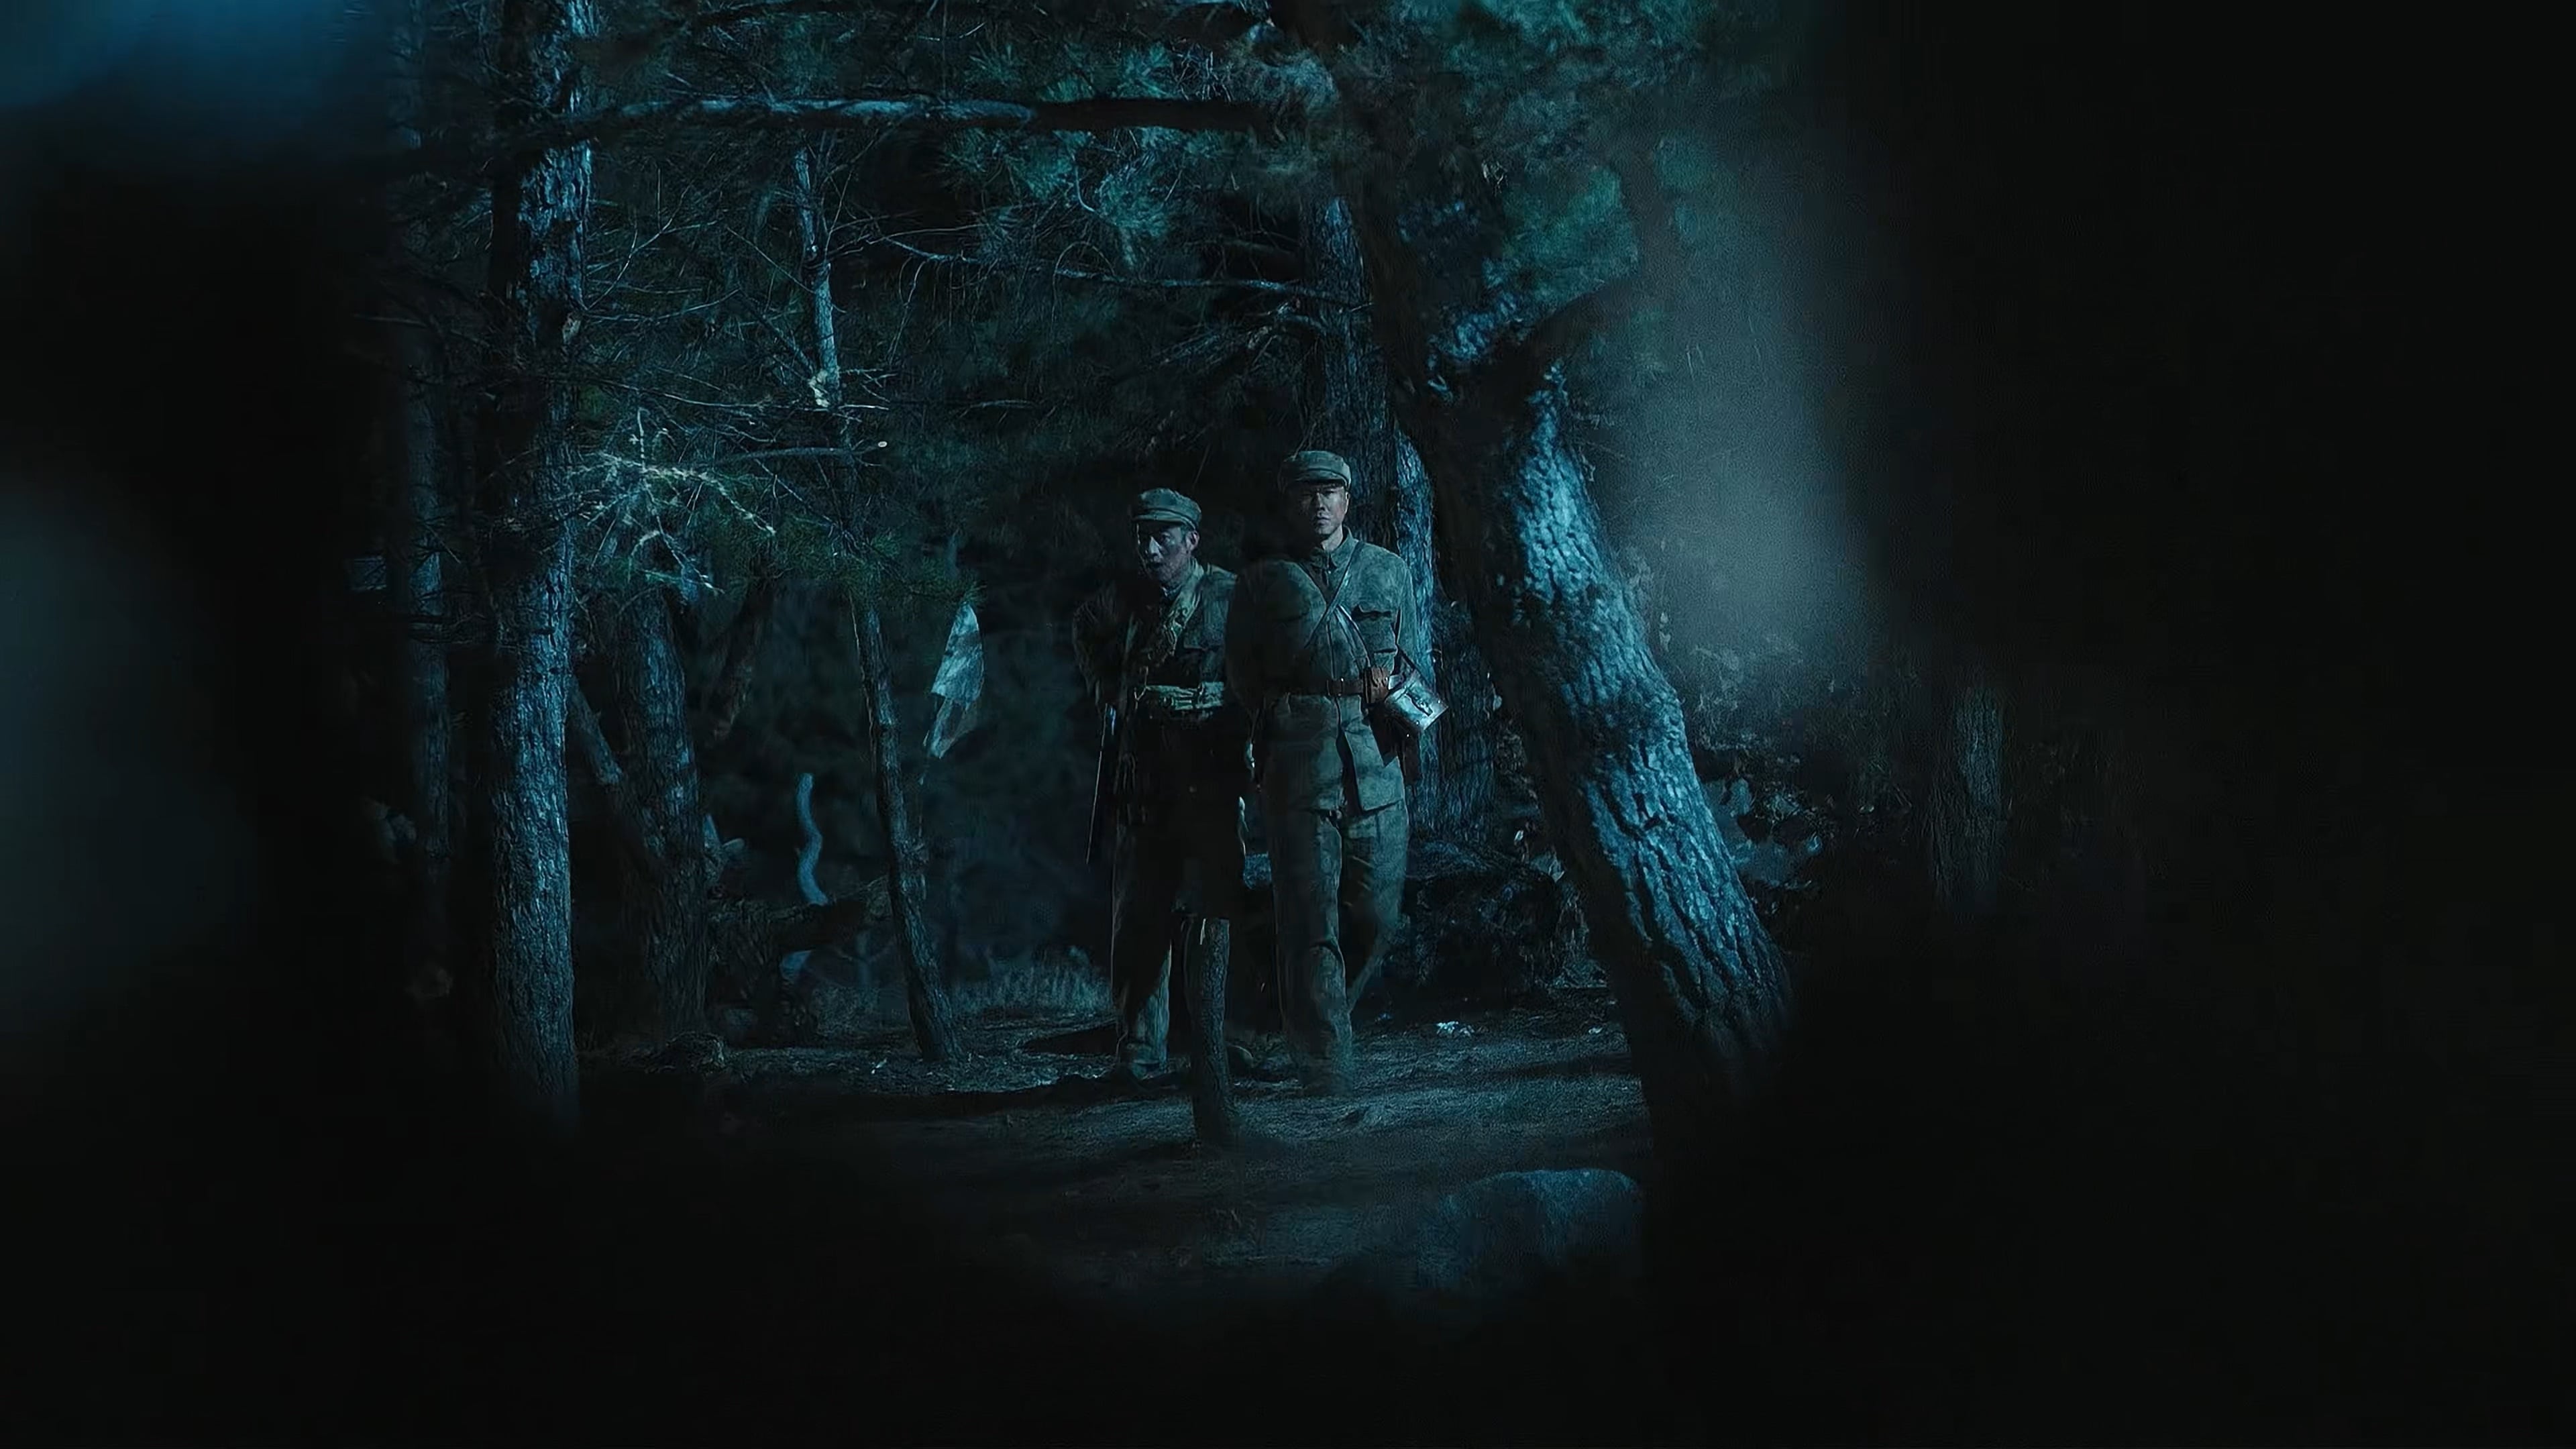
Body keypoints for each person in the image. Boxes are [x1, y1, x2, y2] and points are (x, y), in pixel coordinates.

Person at [1224, 449, 1415, 1095]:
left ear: (1347, 499)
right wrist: (1284, 722)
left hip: (1375, 766)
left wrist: (1394, 696)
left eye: (1329, 491)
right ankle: (1325, 1061)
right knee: (1309, 922)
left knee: (1376, 916)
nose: (1318, 504)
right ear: (1290, 503)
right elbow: (1243, 676)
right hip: (1300, 767)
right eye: (1306, 493)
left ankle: (1300, 1022)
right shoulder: (1261, 583)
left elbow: (1416, 661)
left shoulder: (1389, 572)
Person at [1071, 488, 1250, 1081]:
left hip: (1210, 781)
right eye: (1142, 538)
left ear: (1191, 541)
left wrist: (1227, 703)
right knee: (1140, 919)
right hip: (1144, 785)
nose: (1149, 550)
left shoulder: (1228, 596)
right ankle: (1140, 1048)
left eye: (1162, 539)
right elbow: (1084, 627)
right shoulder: (1122, 600)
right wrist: (1109, 691)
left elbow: (1257, 669)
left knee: (1218, 913)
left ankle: (1222, 1040)